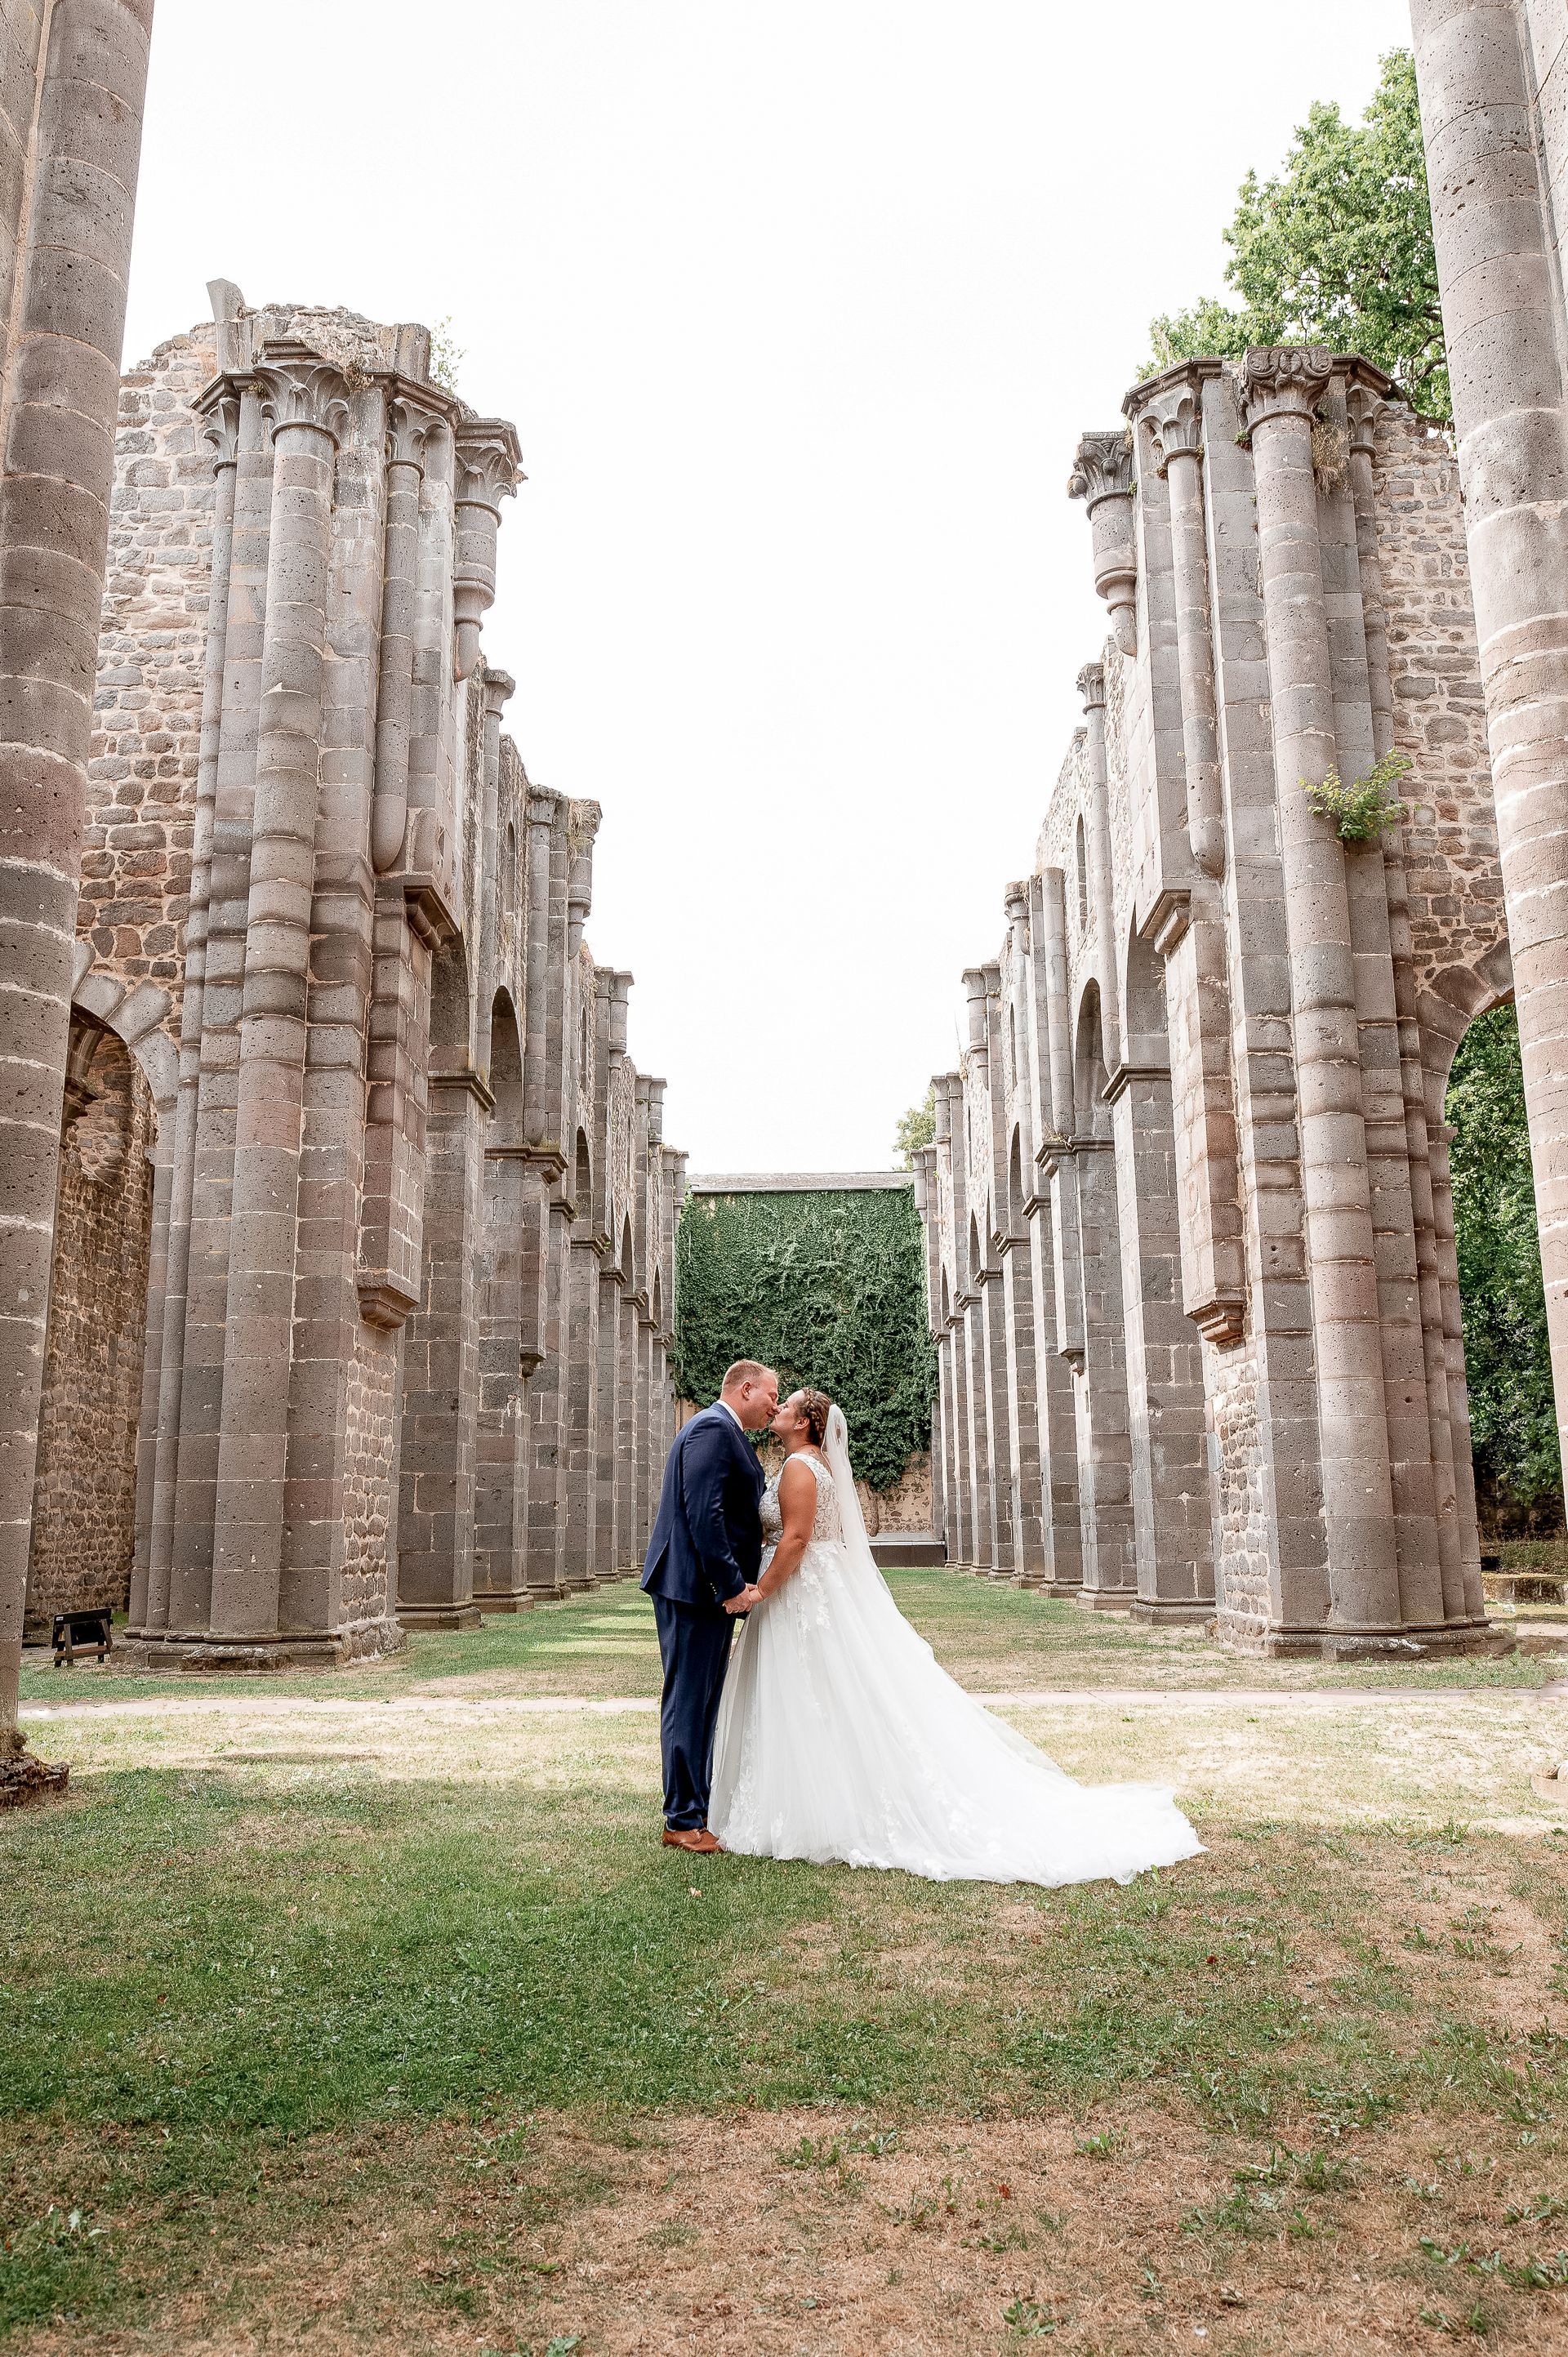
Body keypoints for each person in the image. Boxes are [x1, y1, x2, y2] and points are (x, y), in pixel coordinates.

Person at [709, 1388, 1203, 1887]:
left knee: (808, 1689)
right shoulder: (815, 1464)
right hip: (819, 1588)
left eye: (786, 1404)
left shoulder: (799, 1469)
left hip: (801, 1593)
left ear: (804, 1423)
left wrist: (759, 1591)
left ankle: (810, 1806)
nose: (778, 1408)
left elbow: (795, 1539)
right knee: (826, 1692)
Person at [641, 1358, 778, 1852]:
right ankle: (681, 1820)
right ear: (745, 1389)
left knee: (702, 1701)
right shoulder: (713, 1429)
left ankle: (694, 1808)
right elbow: (704, 1514)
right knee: (689, 1699)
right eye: (770, 1394)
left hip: (704, 1592)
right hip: (694, 1589)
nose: (774, 1404)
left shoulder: (726, 1431)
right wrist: (730, 1585)